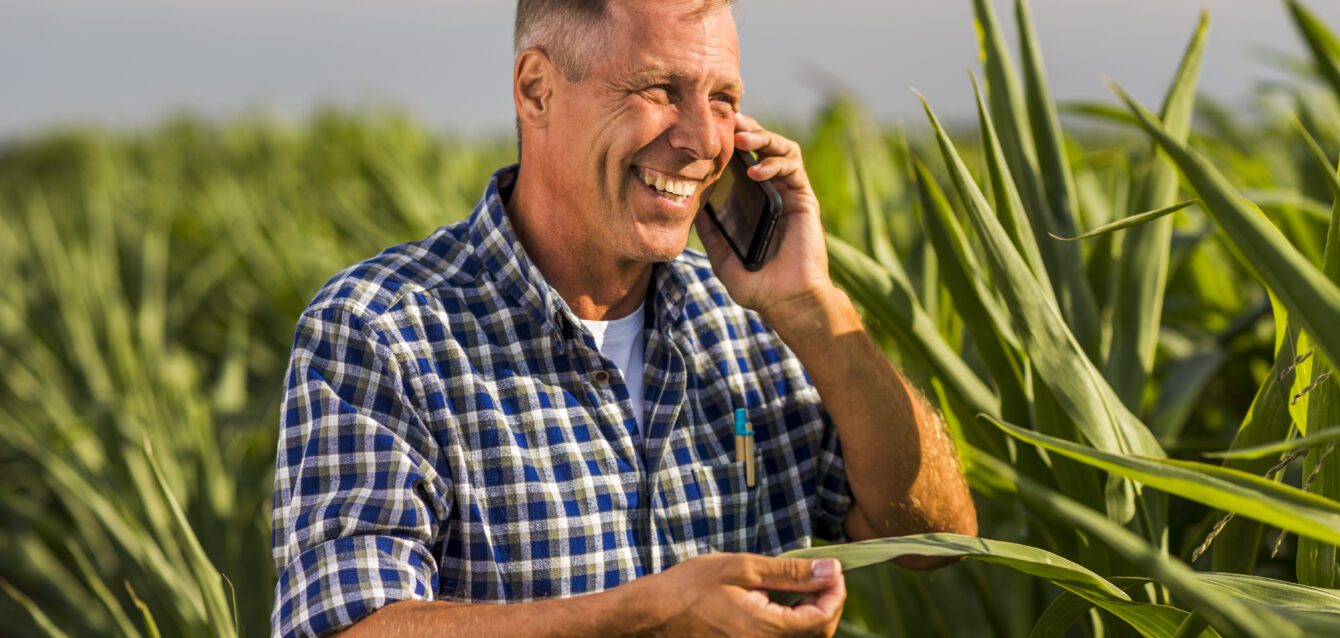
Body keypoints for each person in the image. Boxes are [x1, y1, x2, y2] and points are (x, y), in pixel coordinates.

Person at [270, 1, 977, 636]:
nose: (704, 140)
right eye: (660, 90)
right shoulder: (382, 332)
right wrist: (646, 616)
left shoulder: (757, 324)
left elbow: (932, 540)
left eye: (724, 98)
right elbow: (344, 626)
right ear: (536, 89)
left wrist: (813, 307)